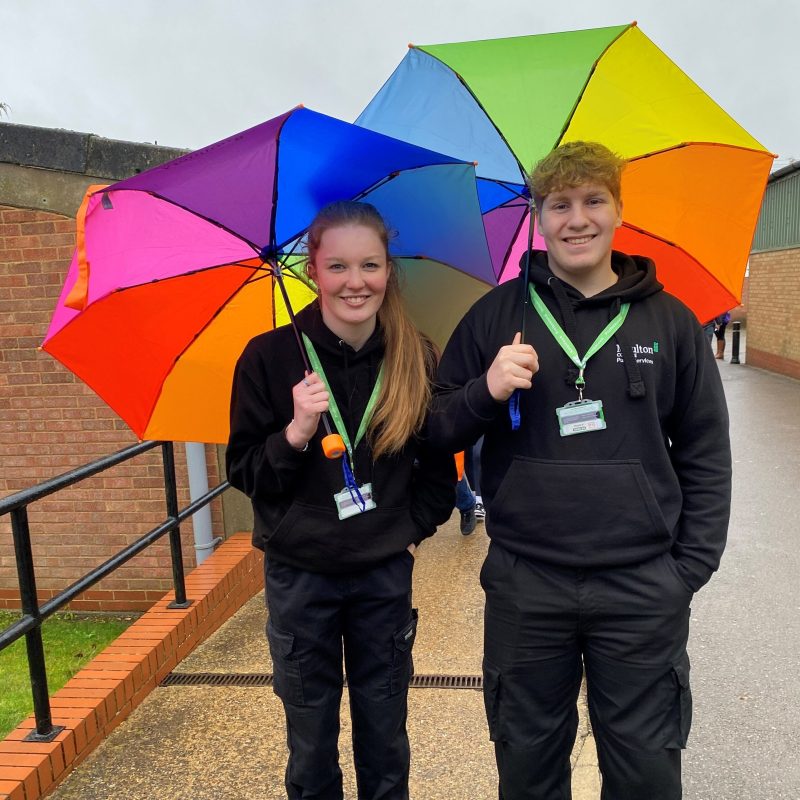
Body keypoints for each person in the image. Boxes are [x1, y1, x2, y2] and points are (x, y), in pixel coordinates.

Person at [428, 141, 731, 799]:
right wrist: (488, 389)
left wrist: (687, 571)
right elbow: (436, 427)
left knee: (647, 773)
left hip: (642, 589)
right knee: (529, 769)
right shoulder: (496, 316)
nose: (577, 219)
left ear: (619, 210)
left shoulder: (671, 323)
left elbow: (706, 451)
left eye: (594, 200)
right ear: (538, 217)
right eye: (559, 204)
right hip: (526, 586)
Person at [226, 200, 455, 800]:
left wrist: (414, 528)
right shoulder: (268, 358)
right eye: (338, 267)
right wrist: (295, 434)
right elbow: (244, 471)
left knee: (386, 738)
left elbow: (437, 464)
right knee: (310, 742)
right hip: (302, 579)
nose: (356, 282)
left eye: (370, 265)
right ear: (313, 271)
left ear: (388, 271)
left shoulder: (416, 356)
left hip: (382, 575)